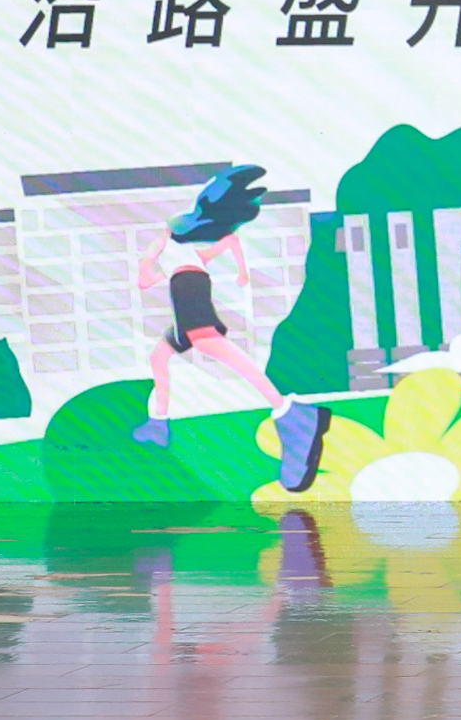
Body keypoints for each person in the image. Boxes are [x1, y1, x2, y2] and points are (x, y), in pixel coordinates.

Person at [131, 164, 328, 492]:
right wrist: (241, 271)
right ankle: (158, 424)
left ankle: (291, 413)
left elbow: (143, 279)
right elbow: (229, 241)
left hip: (187, 289)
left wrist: (148, 267)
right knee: (159, 356)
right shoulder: (190, 252)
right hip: (187, 287)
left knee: (209, 344)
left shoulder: (167, 243)